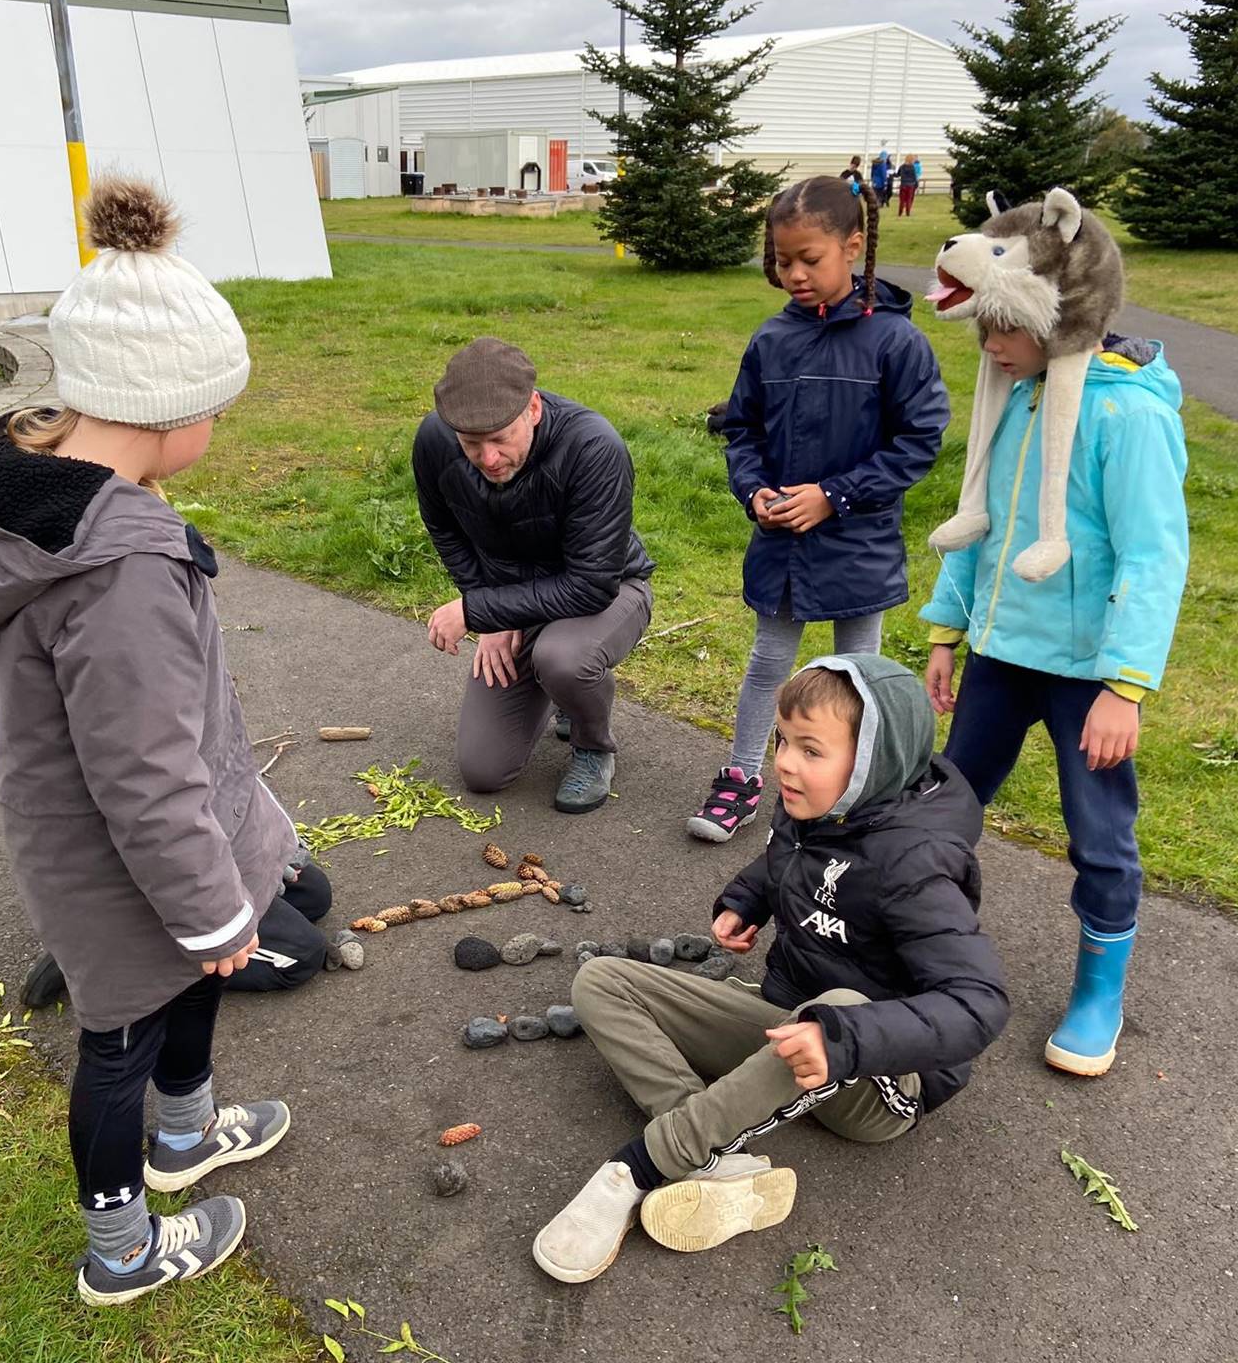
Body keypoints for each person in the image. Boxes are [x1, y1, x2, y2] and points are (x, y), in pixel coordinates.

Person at [0, 178, 292, 1307]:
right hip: (121, 858)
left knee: (187, 987)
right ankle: (122, 1248)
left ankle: (185, 1140)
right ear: (173, 411)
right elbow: (143, 770)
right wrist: (214, 905)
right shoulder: (122, 568)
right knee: (120, 1034)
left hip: (133, 842)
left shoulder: (38, 493)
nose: (217, 430)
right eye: (216, 408)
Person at [533, 657, 1009, 1281]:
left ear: (874, 763)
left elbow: (981, 1001)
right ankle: (714, 1155)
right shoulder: (815, 803)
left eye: (812, 750)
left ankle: (641, 1169)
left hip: (879, 1079)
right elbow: (788, 859)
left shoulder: (914, 865)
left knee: (838, 1007)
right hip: (789, 1020)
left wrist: (846, 1040)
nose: (784, 761)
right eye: (783, 740)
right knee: (601, 981)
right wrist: (745, 898)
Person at [920, 320, 1187, 1078]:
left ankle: (1100, 992)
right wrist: (947, 627)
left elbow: (1154, 552)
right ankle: (922, 943)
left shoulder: (1129, 414)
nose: (990, 349)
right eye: (983, 330)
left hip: (1089, 677)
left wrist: (1123, 687)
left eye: (1007, 332)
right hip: (999, 655)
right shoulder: (1020, 397)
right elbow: (986, 523)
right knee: (944, 805)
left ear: (1060, 320)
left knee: (1099, 833)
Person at [686, 177, 948, 843]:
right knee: (768, 664)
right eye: (782, 259)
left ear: (854, 247)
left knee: (859, 676)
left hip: (858, 545)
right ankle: (742, 778)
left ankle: (859, 796)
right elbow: (740, 430)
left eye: (810, 259)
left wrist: (834, 497)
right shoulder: (771, 340)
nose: (793, 274)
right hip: (781, 548)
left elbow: (918, 443)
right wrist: (754, 493)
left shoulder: (896, 343)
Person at [413, 337, 655, 814]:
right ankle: (555, 688)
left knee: (563, 657)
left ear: (534, 409)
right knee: (483, 771)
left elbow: (591, 582)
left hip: (608, 591)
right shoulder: (435, 441)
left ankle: (592, 744)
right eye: (471, 445)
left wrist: (478, 610)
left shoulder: (593, 447)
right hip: (512, 601)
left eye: (500, 439)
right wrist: (492, 611)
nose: (488, 459)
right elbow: (444, 527)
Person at [18, 846, 339, 1008]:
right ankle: (112, 945)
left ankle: (114, 927)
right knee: (301, 955)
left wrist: (270, 845)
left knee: (314, 895)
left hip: (208, 848)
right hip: (170, 875)